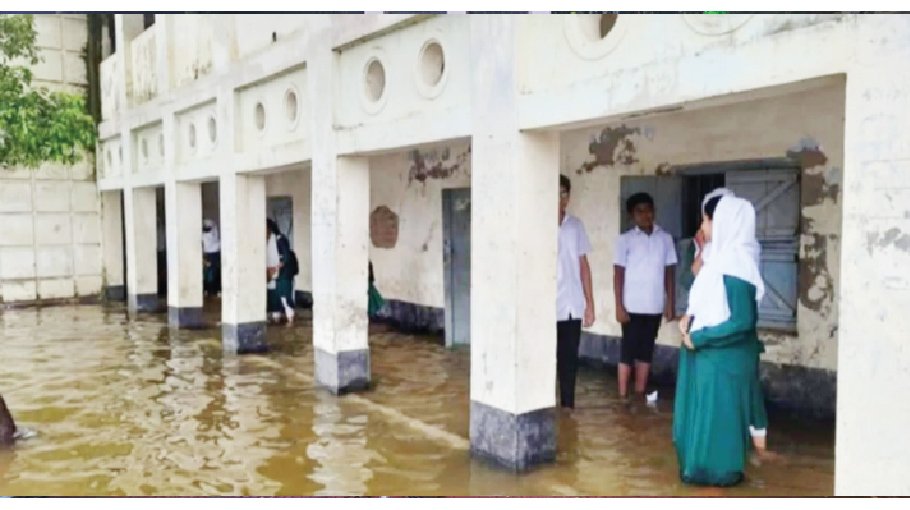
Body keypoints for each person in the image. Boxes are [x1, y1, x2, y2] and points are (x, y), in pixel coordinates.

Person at [674, 194, 766, 486]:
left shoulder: (737, 263)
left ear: (724, 222)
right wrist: (689, 319)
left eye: (707, 219)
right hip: (705, 353)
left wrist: (700, 337)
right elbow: (705, 300)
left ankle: (718, 482)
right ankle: (701, 478)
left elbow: (741, 321)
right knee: (698, 424)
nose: (702, 225)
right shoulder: (720, 258)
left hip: (719, 358)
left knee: (716, 427)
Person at [613, 192, 677, 401]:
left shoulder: (665, 239)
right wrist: (619, 306)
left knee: (646, 351)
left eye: (648, 210)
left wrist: (670, 303)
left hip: (655, 305)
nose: (645, 215)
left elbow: (669, 272)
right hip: (631, 305)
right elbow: (619, 275)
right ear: (632, 216)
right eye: (639, 211)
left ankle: (640, 393)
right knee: (628, 351)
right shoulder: (625, 240)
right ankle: (623, 396)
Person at [556, 174, 595, 410]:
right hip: (546, 305)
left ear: (568, 197)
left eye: (563, 193)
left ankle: (567, 408)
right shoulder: (536, 225)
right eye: (555, 193)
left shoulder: (575, 225)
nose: (560, 199)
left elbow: (583, 265)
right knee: (545, 360)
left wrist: (590, 304)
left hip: (572, 304)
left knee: (569, 359)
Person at [267, 219, 296, 323]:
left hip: (283, 274)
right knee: (275, 300)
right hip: (273, 275)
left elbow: (286, 257)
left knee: (284, 297)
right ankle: (277, 319)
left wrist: (276, 267)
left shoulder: (280, 240)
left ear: (269, 229)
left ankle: (290, 319)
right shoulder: (266, 241)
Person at [266, 220, 283, 323]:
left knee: (275, 294)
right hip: (265, 272)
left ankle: (276, 314)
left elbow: (283, 258)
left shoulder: (278, 240)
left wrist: (276, 268)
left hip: (275, 270)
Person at [202, 219, 221, 298]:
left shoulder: (214, 237)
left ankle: (212, 290)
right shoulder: (204, 235)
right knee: (208, 274)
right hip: (209, 254)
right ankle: (209, 290)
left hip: (214, 254)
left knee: (213, 273)